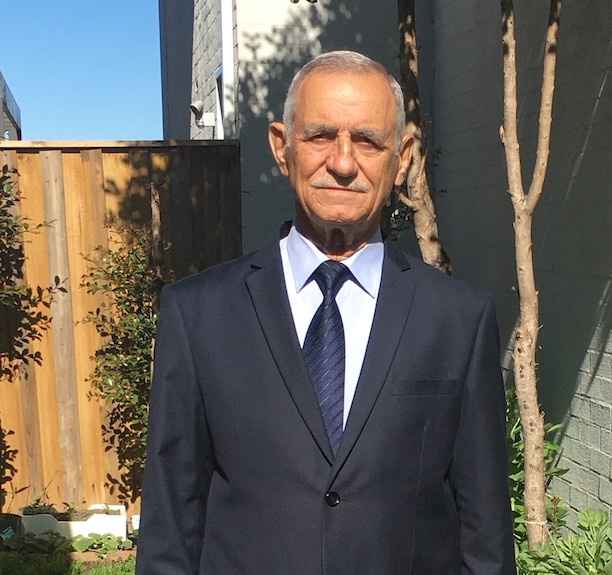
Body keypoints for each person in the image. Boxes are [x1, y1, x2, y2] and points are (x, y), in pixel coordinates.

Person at [135, 50, 515, 574]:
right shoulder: (196, 314)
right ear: (281, 147)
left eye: (367, 140)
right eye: (319, 136)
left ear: (401, 156)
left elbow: (485, 532)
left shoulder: (459, 321)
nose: (341, 162)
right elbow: (170, 524)